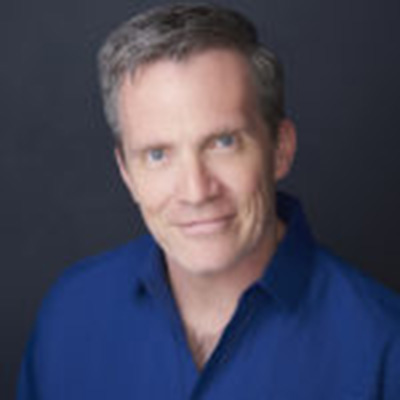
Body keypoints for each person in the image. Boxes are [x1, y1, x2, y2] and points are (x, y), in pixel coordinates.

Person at [17, 3, 400, 399]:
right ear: (126, 173)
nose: (197, 192)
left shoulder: (385, 348)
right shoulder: (69, 315)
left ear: (280, 149)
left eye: (223, 142)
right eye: (158, 154)